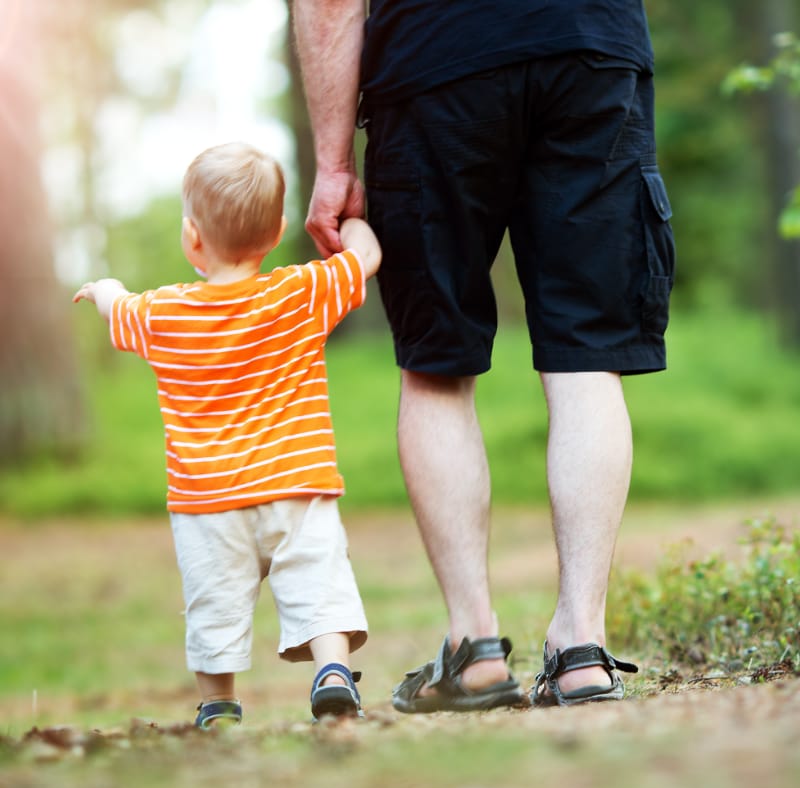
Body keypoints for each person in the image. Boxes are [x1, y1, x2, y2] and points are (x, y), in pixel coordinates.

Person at [293, 1, 674, 711]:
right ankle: (581, 648)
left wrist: (334, 160)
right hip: (589, 45)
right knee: (587, 355)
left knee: (436, 364)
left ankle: (475, 649)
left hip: (437, 54)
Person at [73, 141, 382, 726]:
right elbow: (365, 257)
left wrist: (103, 287)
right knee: (319, 580)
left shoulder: (164, 315)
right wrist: (351, 217)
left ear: (192, 238)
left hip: (207, 500)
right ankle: (333, 672)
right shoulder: (300, 293)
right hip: (297, 482)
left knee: (214, 603)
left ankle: (218, 705)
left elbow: (119, 310)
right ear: (278, 231)